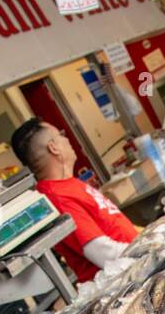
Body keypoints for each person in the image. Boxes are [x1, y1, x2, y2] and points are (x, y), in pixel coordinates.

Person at [10, 118, 140, 284]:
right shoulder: (55, 196)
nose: (67, 139)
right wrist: (153, 245)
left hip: (135, 265)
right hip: (125, 280)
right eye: (61, 135)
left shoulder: (68, 184)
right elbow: (104, 254)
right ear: (53, 147)